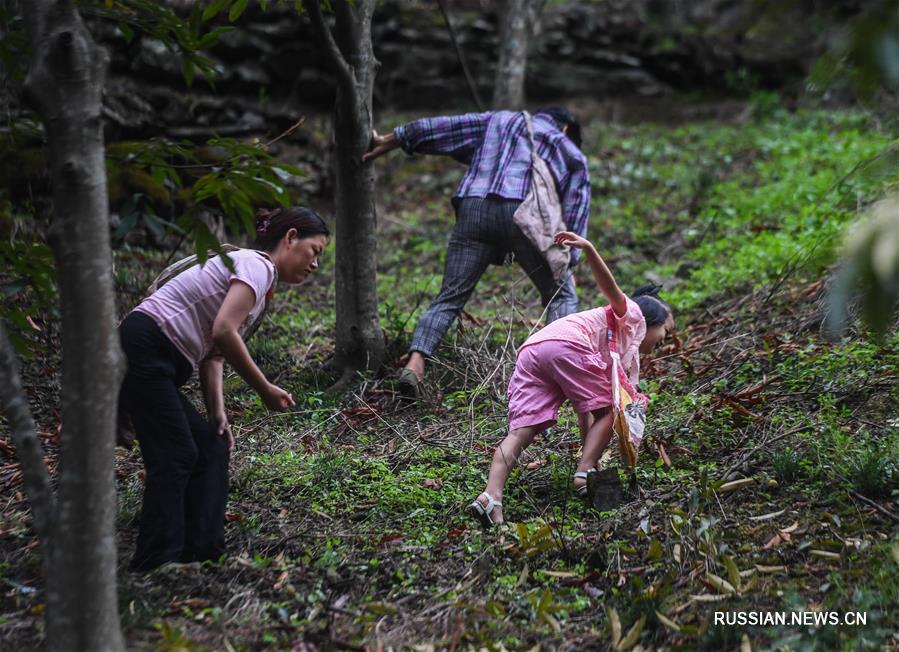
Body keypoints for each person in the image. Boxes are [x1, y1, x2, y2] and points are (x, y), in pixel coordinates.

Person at [118, 206, 329, 571]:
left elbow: (213, 355)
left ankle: (202, 554)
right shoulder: (256, 265)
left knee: (210, 446)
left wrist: (219, 414)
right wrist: (264, 388)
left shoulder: (258, 283)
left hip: (161, 359)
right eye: (315, 251)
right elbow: (224, 332)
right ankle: (156, 559)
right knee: (177, 453)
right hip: (145, 346)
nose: (315, 265)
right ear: (291, 238)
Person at [363, 108, 591, 397]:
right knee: (562, 295)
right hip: (525, 215)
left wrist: (392, 139)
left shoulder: (499, 121)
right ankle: (558, 375)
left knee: (450, 296)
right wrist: (568, 260)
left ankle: (415, 363)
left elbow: (444, 127)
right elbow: (575, 209)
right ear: (567, 130)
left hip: (474, 209)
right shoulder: (568, 149)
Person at [468, 231, 674, 526]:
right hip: (567, 345)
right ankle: (583, 474)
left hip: (536, 349)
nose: (666, 340)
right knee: (611, 410)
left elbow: (586, 409)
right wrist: (589, 249)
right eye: (667, 329)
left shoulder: (614, 347)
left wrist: (589, 455)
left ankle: (491, 497)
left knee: (521, 433)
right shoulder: (634, 317)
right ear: (650, 318)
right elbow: (610, 287)